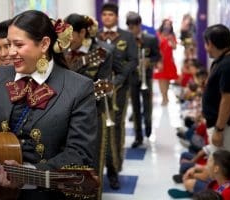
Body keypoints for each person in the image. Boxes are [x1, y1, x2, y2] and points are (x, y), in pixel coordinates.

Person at [0, 10, 98, 200]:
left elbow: (80, 154)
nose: (10, 53)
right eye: (8, 44)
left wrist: (27, 173)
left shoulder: (79, 88)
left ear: (44, 44)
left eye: (18, 45)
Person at [64, 13, 112, 199]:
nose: (66, 41)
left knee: (92, 164)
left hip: (92, 115)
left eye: (70, 35)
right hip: (63, 118)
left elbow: (105, 86)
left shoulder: (101, 53)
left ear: (83, 32)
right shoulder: (60, 52)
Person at [97, 2, 138, 190]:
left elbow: (133, 61)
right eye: (104, 14)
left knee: (116, 127)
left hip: (119, 89)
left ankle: (114, 169)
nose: (107, 18)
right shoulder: (95, 36)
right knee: (99, 128)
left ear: (116, 17)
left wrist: (117, 81)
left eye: (110, 15)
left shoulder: (127, 36)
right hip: (98, 91)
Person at [126, 11, 161, 147]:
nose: (132, 31)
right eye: (129, 28)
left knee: (147, 105)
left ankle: (148, 126)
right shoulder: (126, 40)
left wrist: (149, 62)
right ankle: (138, 136)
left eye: (134, 27)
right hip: (132, 77)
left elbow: (157, 56)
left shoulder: (150, 39)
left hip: (146, 77)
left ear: (139, 25)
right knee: (135, 107)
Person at [202, 24, 230, 154]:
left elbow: (228, 99)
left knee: (223, 167)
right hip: (219, 125)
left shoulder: (228, 65)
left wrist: (219, 130)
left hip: (226, 128)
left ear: (210, 43)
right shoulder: (221, 62)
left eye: (206, 44)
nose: (206, 49)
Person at [153, 19, 178, 106]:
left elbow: (175, 47)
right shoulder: (158, 35)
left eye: (169, 24)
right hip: (160, 60)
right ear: (162, 25)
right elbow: (155, 47)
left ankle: (166, 95)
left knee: (167, 79)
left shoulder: (172, 36)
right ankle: (163, 97)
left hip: (169, 60)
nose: (167, 26)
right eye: (165, 24)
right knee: (161, 79)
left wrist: (171, 40)